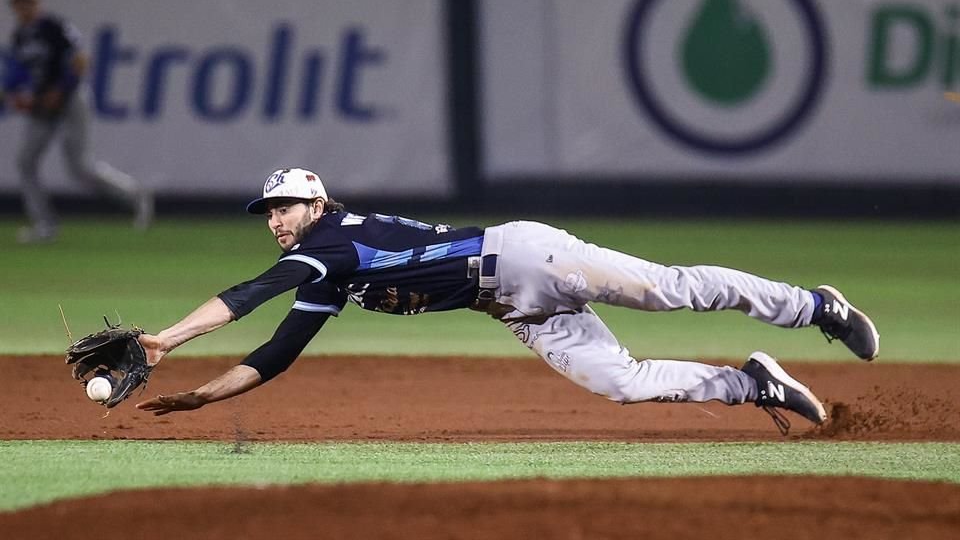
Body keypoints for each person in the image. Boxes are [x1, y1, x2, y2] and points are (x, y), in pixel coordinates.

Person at [136, 167, 880, 434]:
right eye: (268, 211)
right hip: (514, 307)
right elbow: (276, 352)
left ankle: (814, 307)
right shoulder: (327, 268)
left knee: (667, 288)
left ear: (318, 202)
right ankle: (756, 384)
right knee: (620, 383)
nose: (276, 219)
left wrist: (166, 340)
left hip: (521, 253)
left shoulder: (331, 239)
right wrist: (203, 399)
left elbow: (247, 297)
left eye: (286, 205)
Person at [3, 0, 152, 244]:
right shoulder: (19, 36)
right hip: (42, 106)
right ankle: (45, 225)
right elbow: (19, 75)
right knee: (26, 162)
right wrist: (14, 95)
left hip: (70, 99)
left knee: (81, 167)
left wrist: (60, 91)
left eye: (28, 1)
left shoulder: (54, 26)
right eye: (19, 2)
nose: (24, 7)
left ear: (38, 2)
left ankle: (134, 194)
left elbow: (81, 60)